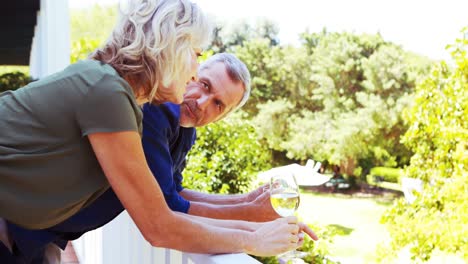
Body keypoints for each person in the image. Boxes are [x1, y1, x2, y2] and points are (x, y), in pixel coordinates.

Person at [0, 0, 308, 262]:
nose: (194, 71)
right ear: (170, 47)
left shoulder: (115, 92)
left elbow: (166, 200)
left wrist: (252, 218)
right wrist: (254, 238)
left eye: (218, 104)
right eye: (196, 54)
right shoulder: (108, 94)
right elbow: (159, 225)